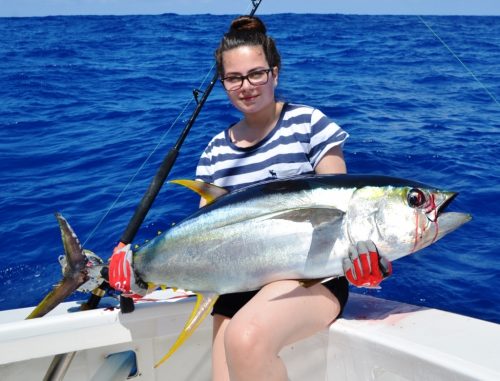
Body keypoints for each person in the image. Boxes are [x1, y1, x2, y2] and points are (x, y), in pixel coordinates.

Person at [109, 15, 392, 381]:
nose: (247, 86)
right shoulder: (214, 151)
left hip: (312, 280)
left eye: (257, 74)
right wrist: (137, 271)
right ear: (223, 83)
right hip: (233, 284)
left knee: (246, 339)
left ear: (275, 72)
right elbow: (204, 239)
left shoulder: (309, 124)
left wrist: (370, 260)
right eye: (234, 78)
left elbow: (346, 206)